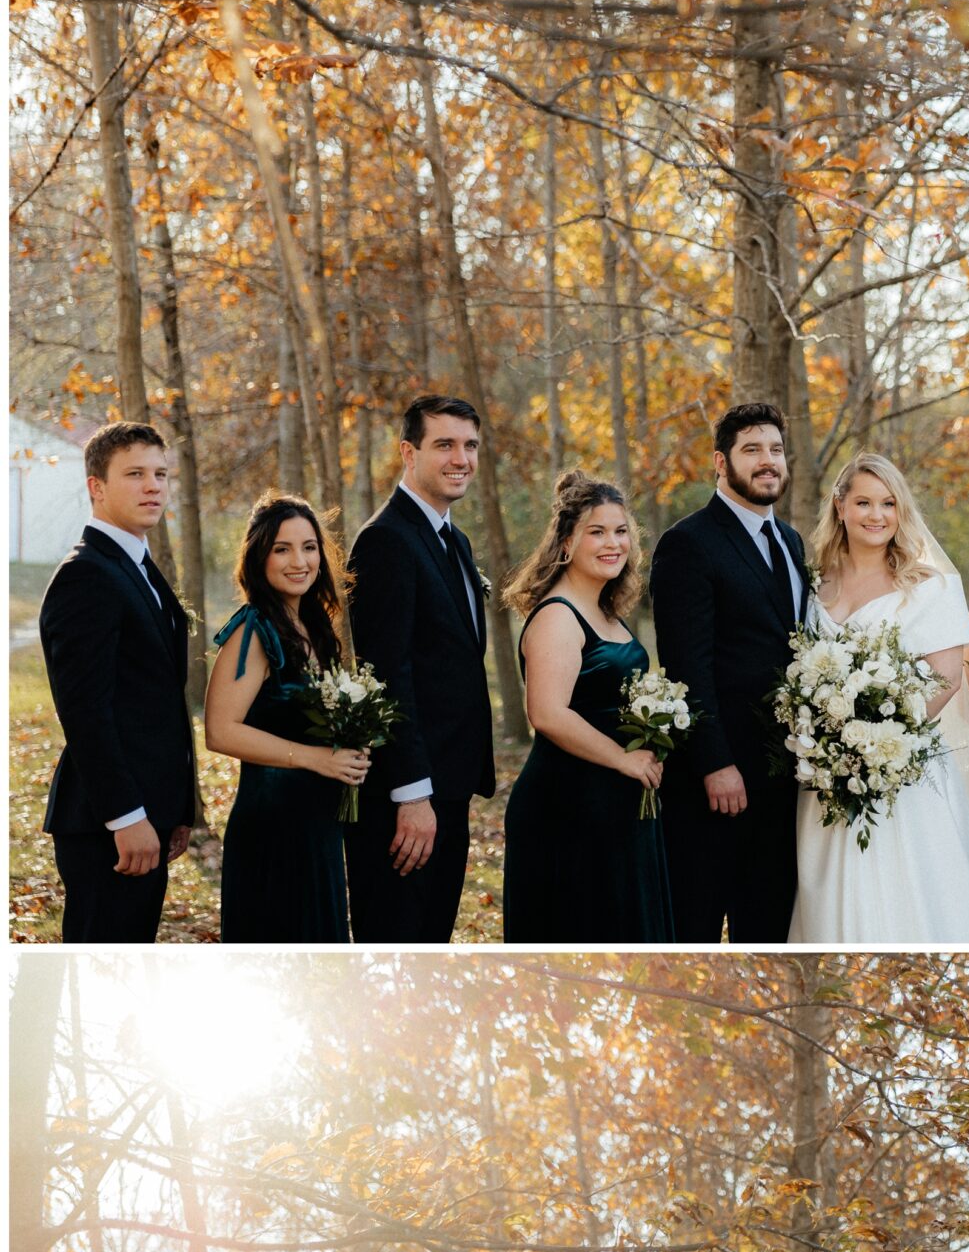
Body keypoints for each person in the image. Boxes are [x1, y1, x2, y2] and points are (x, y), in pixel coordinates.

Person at [788, 454, 969, 944]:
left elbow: (945, 679)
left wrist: (881, 742)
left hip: (904, 773)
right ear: (840, 507)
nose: (876, 515)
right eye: (863, 502)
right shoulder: (812, 587)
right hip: (827, 776)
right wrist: (833, 744)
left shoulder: (930, 586)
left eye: (888, 503)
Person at [649, 402, 808, 942]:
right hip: (716, 781)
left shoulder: (791, 542)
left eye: (776, 450)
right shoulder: (688, 543)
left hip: (785, 779)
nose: (768, 462)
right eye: (752, 451)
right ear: (721, 462)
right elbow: (686, 667)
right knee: (694, 926)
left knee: (764, 931)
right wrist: (715, 762)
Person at [38, 421, 198, 943]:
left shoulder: (137, 566)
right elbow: (86, 711)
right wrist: (125, 817)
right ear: (96, 487)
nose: (153, 485)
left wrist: (174, 809)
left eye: (160, 473)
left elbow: (153, 701)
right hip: (106, 823)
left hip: (147, 815)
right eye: (135, 474)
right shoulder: (87, 575)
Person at [345, 394, 497, 943]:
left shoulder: (454, 540)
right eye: (445, 445)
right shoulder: (385, 540)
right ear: (409, 453)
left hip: (448, 786)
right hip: (406, 797)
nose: (461, 459)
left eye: (470, 445)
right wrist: (412, 794)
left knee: (432, 941)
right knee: (398, 944)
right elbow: (386, 675)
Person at [501, 473, 673, 942]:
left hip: (612, 808)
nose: (612, 543)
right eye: (596, 532)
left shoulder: (606, 610)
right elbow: (547, 713)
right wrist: (622, 758)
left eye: (620, 532)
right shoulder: (559, 614)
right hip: (566, 810)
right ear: (565, 543)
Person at [204, 494, 368, 942]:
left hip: (316, 825)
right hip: (271, 829)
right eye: (282, 549)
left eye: (309, 547)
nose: (300, 561)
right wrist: (315, 758)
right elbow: (220, 731)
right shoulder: (252, 630)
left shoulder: (314, 627)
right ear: (259, 557)